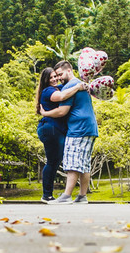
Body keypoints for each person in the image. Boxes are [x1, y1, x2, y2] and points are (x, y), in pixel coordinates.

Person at [49, 59, 97, 203]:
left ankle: (66, 196)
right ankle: (82, 196)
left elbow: (62, 111)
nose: (58, 78)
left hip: (78, 128)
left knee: (72, 161)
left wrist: (44, 113)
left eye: (60, 74)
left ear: (69, 70)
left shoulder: (70, 86)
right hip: (89, 127)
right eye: (56, 76)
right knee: (84, 163)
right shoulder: (81, 84)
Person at [35, 67, 71, 202]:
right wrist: (78, 87)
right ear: (46, 80)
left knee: (55, 162)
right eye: (51, 78)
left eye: (55, 76)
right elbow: (62, 96)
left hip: (52, 129)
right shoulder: (48, 91)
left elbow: (65, 86)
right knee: (52, 162)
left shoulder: (57, 87)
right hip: (50, 129)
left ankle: (48, 194)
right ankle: (46, 195)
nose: (54, 79)